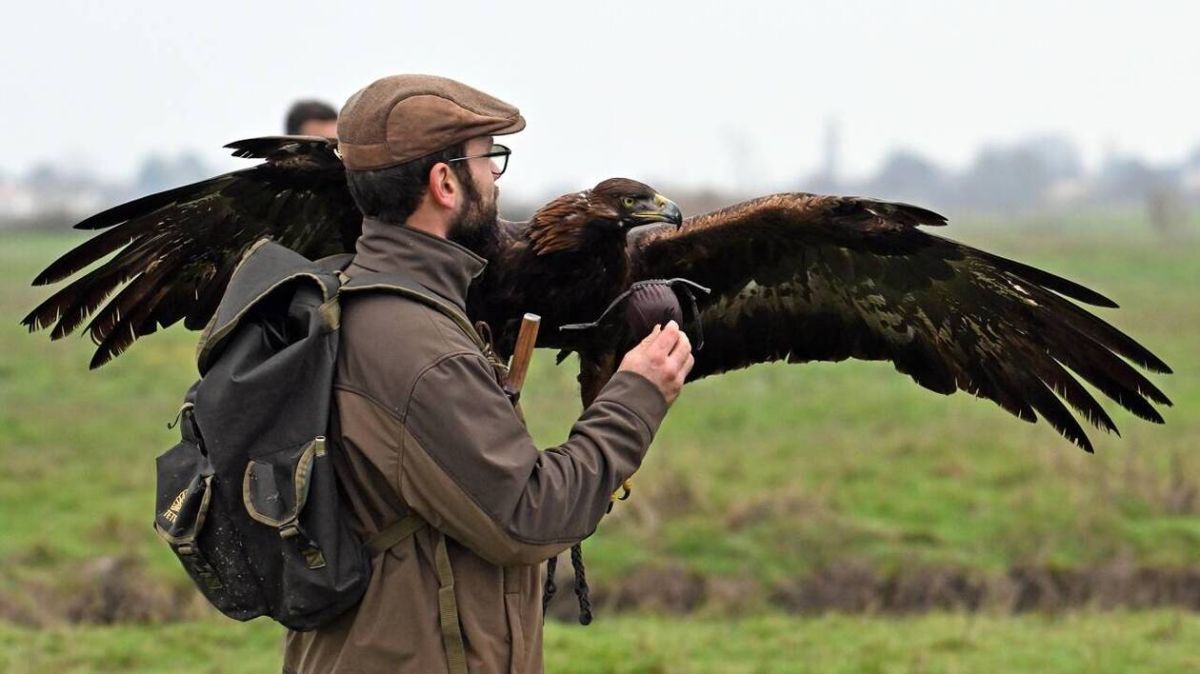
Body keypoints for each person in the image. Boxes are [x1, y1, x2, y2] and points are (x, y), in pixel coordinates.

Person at [282, 74, 693, 674]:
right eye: (488, 160)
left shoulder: (369, 305)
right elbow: (530, 515)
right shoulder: (425, 353)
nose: (496, 179)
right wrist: (636, 396)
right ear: (445, 182)